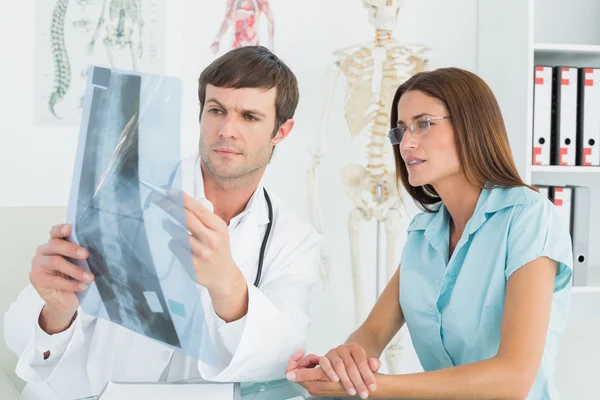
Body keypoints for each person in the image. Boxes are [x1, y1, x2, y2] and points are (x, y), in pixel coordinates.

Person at [4, 46, 321, 400]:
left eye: (249, 116)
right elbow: (20, 335)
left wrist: (227, 284)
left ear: (282, 131)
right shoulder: (120, 191)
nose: (227, 130)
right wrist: (56, 314)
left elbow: (282, 360)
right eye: (216, 110)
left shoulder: (293, 239)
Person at [285, 67, 573, 399]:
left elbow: (514, 378)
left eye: (424, 124)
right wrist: (339, 365)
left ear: (470, 124)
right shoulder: (423, 233)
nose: (406, 143)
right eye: (401, 130)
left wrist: (372, 386)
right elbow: (371, 333)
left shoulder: (529, 218)